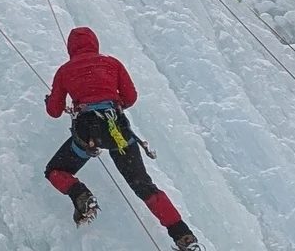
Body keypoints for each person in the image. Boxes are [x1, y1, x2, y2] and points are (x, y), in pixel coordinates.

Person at [43, 26, 201, 251]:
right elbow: (130, 96)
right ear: (94, 43)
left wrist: (53, 100)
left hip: (88, 133)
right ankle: (183, 235)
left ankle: (81, 194)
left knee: (56, 171)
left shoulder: (65, 70)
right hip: (118, 129)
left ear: (70, 48)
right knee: (144, 186)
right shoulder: (111, 63)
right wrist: (111, 101)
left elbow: (54, 111)